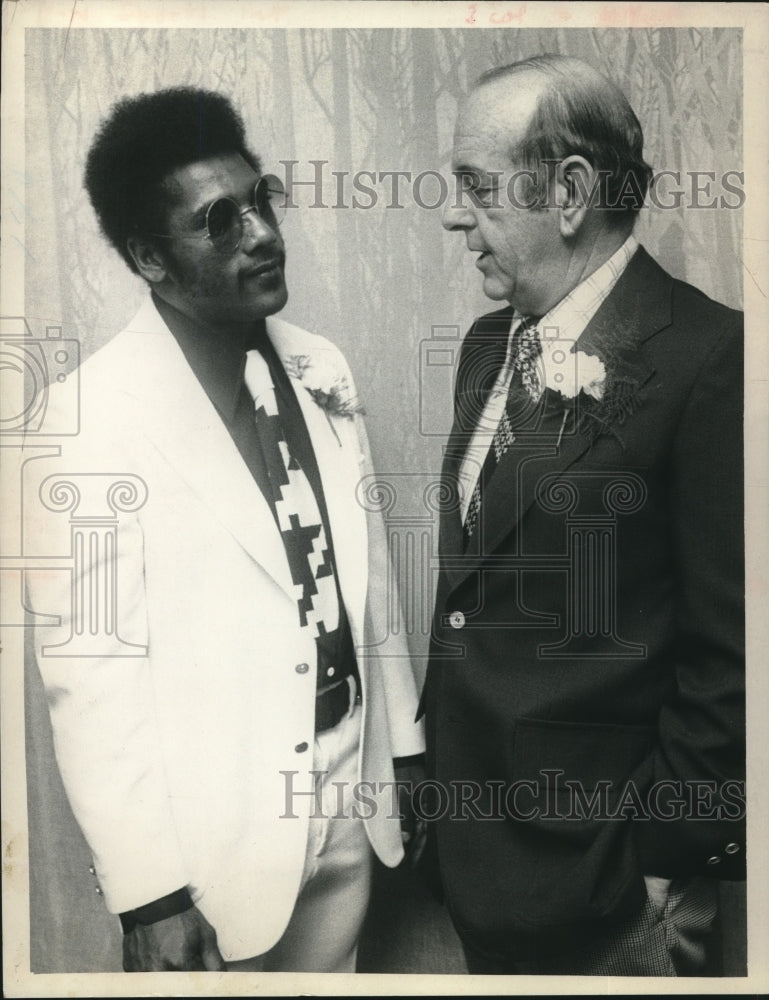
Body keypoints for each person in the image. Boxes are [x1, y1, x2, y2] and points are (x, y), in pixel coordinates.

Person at [24, 87, 424, 974]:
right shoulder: (82, 421)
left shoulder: (321, 365)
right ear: (148, 258)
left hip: (353, 807)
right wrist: (150, 895)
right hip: (215, 866)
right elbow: (91, 680)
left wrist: (406, 754)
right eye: (218, 220)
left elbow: (371, 576)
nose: (262, 233)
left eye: (262, 201)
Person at [422, 55, 745, 976]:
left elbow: (732, 652)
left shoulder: (709, 358)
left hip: (614, 895)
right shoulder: (488, 347)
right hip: (481, 865)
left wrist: (667, 856)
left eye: (476, 188)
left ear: (569, 193)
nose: (454, 216)